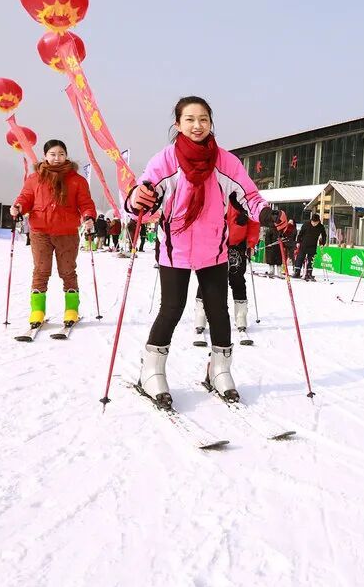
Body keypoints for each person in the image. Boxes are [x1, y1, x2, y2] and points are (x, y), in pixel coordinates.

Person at [126, 95, 280, 408]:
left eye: (204, 120)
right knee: (172, 308)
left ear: (211, 123)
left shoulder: (225, 161)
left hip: (214, 249)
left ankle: (219, 369)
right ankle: (152, 371)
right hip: (176, 249)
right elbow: (140, 196)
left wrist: (264, 213)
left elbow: (249, 194)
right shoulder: (165, 160)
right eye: (190, 120)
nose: (198, 126)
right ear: (178, 125)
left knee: (218, 310)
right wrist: (138, 198)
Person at [11, 139, 96, 326]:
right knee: (41, 271)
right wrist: (18, 206)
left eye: (61, 154)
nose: (57, 158)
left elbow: (86, 204)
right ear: (45, 156)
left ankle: (72, 310)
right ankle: (37, 312)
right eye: (53, 154)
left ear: (66, 155)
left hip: (67, 233)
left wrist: (89, 216)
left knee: (67, 271)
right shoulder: (34, 179)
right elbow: (25, 198)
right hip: (40, 231)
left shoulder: (77, 180)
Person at [196, 192, 261, 342]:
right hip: (214, 244)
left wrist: (251, 241)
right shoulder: (215, 187)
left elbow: (255, 221)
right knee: (208, 281)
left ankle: (241, 319)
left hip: (236, 245)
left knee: (237, 280)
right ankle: (200, 319)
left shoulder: (244, 193)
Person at [293, 213, 326, 280]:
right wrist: (298, 242)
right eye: (313, 222)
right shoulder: (306, 224)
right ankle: (297, 272)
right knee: (300, 258)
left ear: (318, 221)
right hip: (303, 244)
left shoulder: (321, 226)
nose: (314, 223)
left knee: (311, 260)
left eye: (315, 222)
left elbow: (324, 235)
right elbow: (300, 234)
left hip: (313, 246)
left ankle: (309, 273)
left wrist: (322, 243)